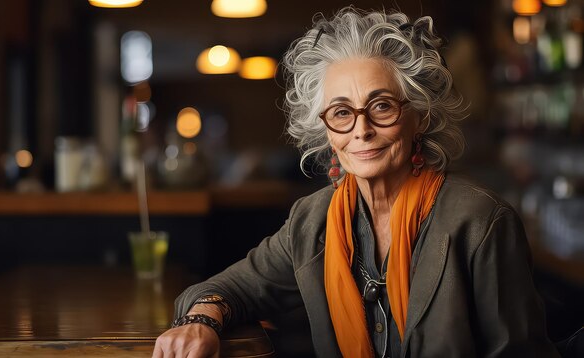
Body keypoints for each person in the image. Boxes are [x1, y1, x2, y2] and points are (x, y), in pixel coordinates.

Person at [153, 7, 559, 358]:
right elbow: (228, 288)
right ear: (326, 130)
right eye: (342, 112)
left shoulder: (481, 221)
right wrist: (199, 321)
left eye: (381, 106)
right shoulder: (312, 220)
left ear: (419, 115)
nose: (361, 130)